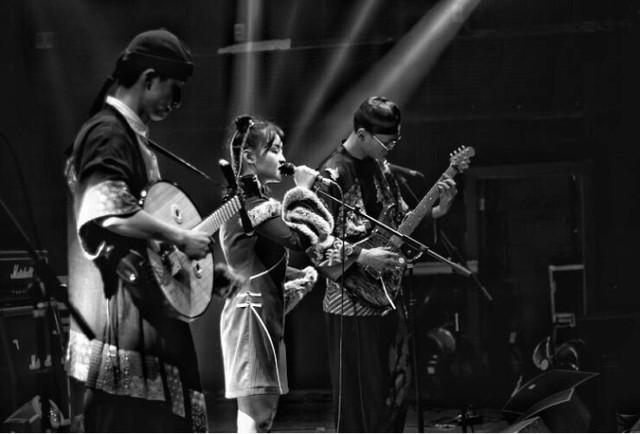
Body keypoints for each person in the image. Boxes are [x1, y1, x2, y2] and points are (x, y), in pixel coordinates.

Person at [65, 29, 211, 432]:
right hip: (126, 311)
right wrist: (180, 237)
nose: (175, 104)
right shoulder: (108, 133)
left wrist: (202, 273)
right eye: (173, 90)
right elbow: (108, 213)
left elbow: (143, 231)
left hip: (146, 302)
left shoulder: (126, 135)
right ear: (149, 79)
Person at [218, 114, 395, 433]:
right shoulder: (250, 205)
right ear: (249, 157)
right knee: (256, 410)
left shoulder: (257, 202)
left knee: (264, 412)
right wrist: (302, 191)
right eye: (275, 150)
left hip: (262, 312)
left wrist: (295, 277)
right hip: (250, 313)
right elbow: (299, 239)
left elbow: (260, 262)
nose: (283, 158)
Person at [315, 96, 458, 432]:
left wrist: (439, 210)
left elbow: (401, 224)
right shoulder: (331, 176)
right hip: (349, 304)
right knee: (359, 401)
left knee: (392, 392)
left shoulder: (382, 169)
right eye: (387, 142)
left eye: (395, 141)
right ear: (362, 134)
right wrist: (363, 256)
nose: (391, 148)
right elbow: (315, 242)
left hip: (386, 297)